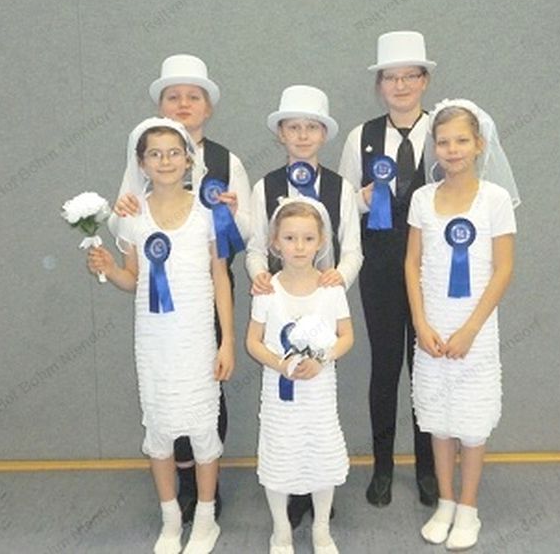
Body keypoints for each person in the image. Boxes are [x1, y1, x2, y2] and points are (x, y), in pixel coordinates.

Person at [109, 54, 251, 522]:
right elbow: (128, 231)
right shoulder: (143, 170)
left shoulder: (228, 161)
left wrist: (232, 213)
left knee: (209, 386)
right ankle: (183, 482)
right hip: (158, 303)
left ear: (208, 107)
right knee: (165, 395)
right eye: (174, 97)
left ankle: (208, 487)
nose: (184, 104)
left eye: (193, 97)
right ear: (161, 107)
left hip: (208, 288)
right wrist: (118, 215)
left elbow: (246, 232)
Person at [89, 117, 234, 554]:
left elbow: (221, 277)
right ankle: (170, 519)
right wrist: (109, 268)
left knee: (203, 428)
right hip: (154, 341)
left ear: (189, 159)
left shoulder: (209, 211)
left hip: (197, 337)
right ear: (142, 163)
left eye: (174, 152)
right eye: (155, 154)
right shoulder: (133, 216)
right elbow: (133, 278)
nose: (165, 161)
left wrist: (227, 341)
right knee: (160, 428)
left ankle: (205, 518)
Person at [245, 84, 362, 527]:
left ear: (323, 134)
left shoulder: (340, 187)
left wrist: (338, 278)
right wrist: (260, 274)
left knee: (317, 401)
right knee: (286, 407)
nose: (302, 135)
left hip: (323, 299)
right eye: (293, 128)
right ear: (281, 134)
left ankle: (318, 485)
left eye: (311, 128)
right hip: (279, 300)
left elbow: (353, 247)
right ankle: (291, 490)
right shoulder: (265, 186)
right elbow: (256, 246)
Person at [405, 99, 519, 550]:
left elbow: (503, 268)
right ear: (434, 147)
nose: (452, 150)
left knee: (471, 421)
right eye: (444, 141)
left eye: (461, 141)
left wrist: (471, 328)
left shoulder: (495, 200)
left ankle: (468, 507)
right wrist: (420, 322)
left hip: (476, 327)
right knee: (438, 419)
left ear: (479, 145)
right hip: (432, 327)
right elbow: (412, 263)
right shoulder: (422, 199)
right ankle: (446, 501)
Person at [337, 30, 436, 507]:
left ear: (425, 81)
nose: (400, 86)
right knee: (385, 366)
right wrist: (361, 199)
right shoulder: (361, 137)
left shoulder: (443, 131)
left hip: (434, 271)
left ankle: (428, 468)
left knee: (426, 369)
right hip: (379, 268)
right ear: (379, 85)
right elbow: (342, 207)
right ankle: (382, 467)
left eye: (409, 76)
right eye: (390, 78)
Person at [246, 198, 354, 554]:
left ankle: (322, 528)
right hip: (280, 392)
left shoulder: (331, 288)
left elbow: (346, 336)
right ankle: (281, 530)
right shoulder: (267, 289)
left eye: (308, 239)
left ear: (320, 242)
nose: (299, 247)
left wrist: (322, 359)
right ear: (275, 242)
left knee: (321, 453)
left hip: (319, 389)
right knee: (281, 454)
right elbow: (253, 342)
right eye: (290, 238)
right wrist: (281, 365)